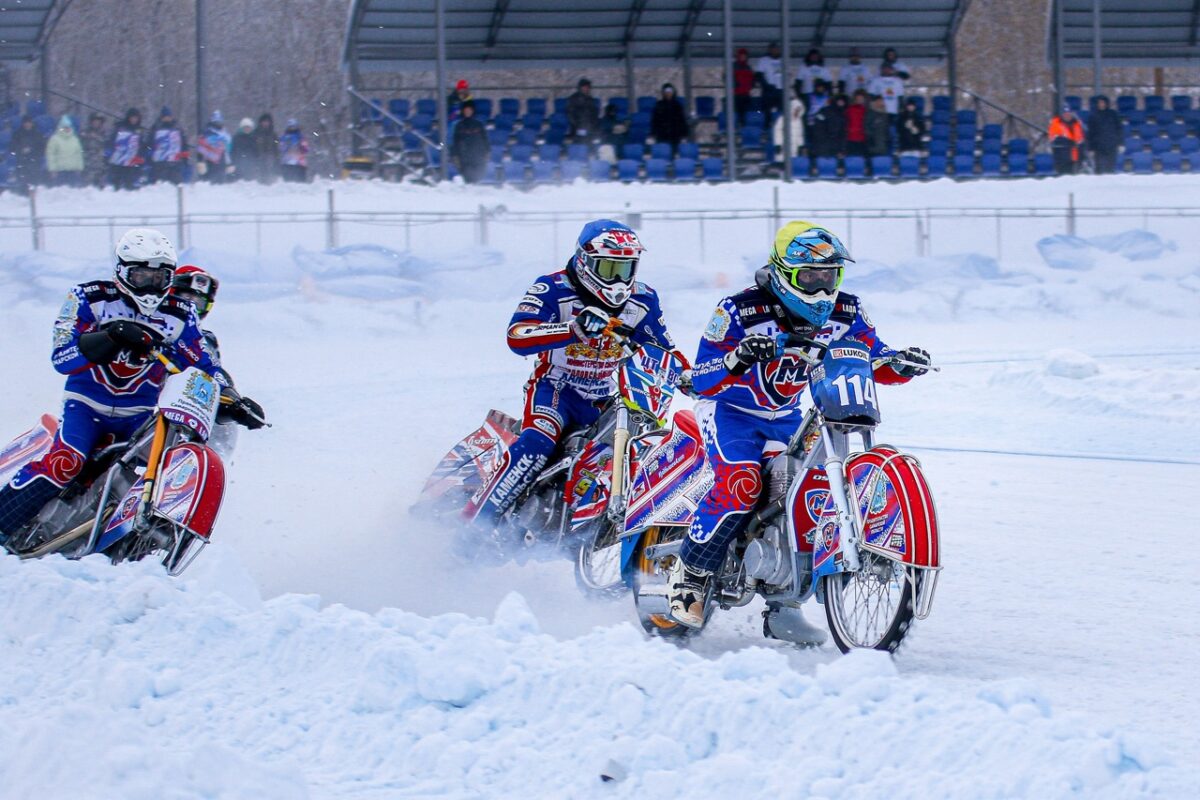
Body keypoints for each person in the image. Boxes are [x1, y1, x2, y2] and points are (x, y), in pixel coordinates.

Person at [667, 221, 931, 628]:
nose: (823, 289)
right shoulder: (738, 309)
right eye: (810, 277)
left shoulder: (848, 309)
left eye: (830, 276)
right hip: (729, 411)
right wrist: (739, 356)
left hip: (790, 416)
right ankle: (690, 574)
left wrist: (898, 363)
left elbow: (871, 355)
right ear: (783, 273)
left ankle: (784, 602)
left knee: (808, 487)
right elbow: (700, 378)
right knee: (742, 483)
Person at [0, 229, 220, 545]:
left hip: (141, 416)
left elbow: (205, 364)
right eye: (140, 274)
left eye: (159, 277)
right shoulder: (88, 297)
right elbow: (62, 357)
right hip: (86, 404)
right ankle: (4, 520)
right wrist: (112, 336)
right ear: (121, 271)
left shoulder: (181, 313)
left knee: (144, 471)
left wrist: (232, 396)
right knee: (68, 461)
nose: (150, 285)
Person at [464, 220, 677, 526]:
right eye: (608, 269)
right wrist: (571, 329)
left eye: (626, 269)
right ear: (585, 261)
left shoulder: (643, 300)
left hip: (607, 396)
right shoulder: (552, 288)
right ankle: (474, 522)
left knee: (636, 447)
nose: (618, 281)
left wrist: (689, 377)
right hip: (555, 388)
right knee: (538, 441)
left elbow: (664, 348)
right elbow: (518, 335)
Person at [168, 265, 266, 431]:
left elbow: (212, 372)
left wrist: (234, 401)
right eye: (186, 298)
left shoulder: (207, 340)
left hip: (182, 412)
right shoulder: (154, 323)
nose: (191, 307)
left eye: (198, 303)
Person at [450, 100, 489, 183]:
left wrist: (486, 151)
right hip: (464, 156)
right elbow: (456, 141)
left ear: (473, 111)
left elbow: (484, 139)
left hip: (477, 155)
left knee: (478, 177)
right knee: (467, 178)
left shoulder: (479, 124)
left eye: (469, 110)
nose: (468, 112)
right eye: (466, 110)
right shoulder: (459, 125)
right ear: (463, 111)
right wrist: (455, 154)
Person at [108, 108, 146, 191]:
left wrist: (141, 156)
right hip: (118, 161)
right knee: (116, 185)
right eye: (132, 117)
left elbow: (143, 145)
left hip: (132, 162)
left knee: (129, 186)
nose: (134, 120)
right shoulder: (119, 128)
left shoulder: (140, 130)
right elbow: (111, 141)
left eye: (136, 118)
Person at [149, 107, 188, 185]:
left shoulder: (177, 128)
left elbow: (183, 143)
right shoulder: (156, 128)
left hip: (175, 161)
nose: (167, 119)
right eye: (165, 117)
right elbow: (150, 142)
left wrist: (185, 155)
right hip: (160, 162)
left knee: (177, 183)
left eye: (168, 117)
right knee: (160, 183)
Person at [650, 83, 689, 156]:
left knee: (672, 155)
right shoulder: (659, 105)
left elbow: (682, 121)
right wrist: (653, 133)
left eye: (670, 92)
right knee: (662, 155)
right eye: (666, 92)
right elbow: (654, 121)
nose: (668, 94)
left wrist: (684, 135)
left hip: (674, 136)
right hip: (662, 135)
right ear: (663, 93)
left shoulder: (677, 106)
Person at [11, 115, 46, 192]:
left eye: (29, 122)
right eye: (26, 123)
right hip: (22, 161)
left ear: (32, 123)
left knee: (34, 181)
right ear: (23, 124)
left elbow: (42, 148)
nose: (27, 124)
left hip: (34, 160)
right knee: (23, 180)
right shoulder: (17, 134)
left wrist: (32, 151)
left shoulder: (37, 134)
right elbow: (13, 147)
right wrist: (21, 150)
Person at [45, 116, 84, 187]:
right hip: (59, 172)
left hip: (72, 171)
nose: (66, 129)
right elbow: (50, 155)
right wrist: (52, 169)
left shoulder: (75, 139)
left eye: (68, 127)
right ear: (60, 127)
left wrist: (79, 168)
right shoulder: (54, 139)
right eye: (64, 127)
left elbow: (79, 155)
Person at [1087, 96, 1122, 175]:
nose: (1101, 104)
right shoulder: (1093, 116)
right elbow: (1090, 134)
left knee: (1110, 169)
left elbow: (1119, 129)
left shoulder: (1113, 114)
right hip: (1098, 147)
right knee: (1099, 170)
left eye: (1103, 102)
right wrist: (1090, 148)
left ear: (1106, 103)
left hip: (1112, 145)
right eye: (1099, 103)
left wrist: (1121, 143)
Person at [195, 110, 232, 183]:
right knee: (209, 183)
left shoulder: (225, 134)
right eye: (216, 122)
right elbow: (201, 148)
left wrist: (229, 163)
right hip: (209, 161)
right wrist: (200, 161)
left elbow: (227, 150)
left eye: (219, 122)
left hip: (221, 162)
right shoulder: (206, 133)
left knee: (221, 183)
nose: (218, 124)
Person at [1049, 106, 1085, 175]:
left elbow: (1081, 139)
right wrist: (1068, 142)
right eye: (1065, 114)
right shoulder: (1056, 124)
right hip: (1061, 158)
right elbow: (1054, 139)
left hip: (1075, 157)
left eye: (1068, 113)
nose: (1067, 115)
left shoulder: (1077, 124)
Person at [566, 78, 600, 146]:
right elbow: (570, 114)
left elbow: (594, 113)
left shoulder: (590, 99)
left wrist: (594, 123)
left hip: (590, 126)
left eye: (588, 87)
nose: (587, 89)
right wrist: (577, 125)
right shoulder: (573, 98)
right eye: (585, 87)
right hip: (578, 126)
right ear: (580, 87)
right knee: (580, 144)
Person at [755, 42, 784, 121]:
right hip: (769, 89)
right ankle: (767, 126)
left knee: (782, 110)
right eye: (773, 49)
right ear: (769, 50)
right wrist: (766, 85)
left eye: (776, 49)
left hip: (780, 89)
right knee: (767, 110)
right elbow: (759, 75)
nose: (775, 51)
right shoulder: (763, 60)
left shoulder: (783, 60)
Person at [772, 93, 805, 158]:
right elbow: (777, 131)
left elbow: (800, 134)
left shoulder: (799, 121)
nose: (797, 111)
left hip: (795, 148)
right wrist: (778, 144)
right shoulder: (782, 118)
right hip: (784, 147)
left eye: (798, 110)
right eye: (796, 109)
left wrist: (801, 145)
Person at [82, 113, 109, 188]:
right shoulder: (85, 132)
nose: (96, 123)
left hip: (101, 165)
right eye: (95, 121)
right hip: (88, 164)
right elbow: (81, 147)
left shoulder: (105, 133)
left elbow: (108, 146)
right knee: (88, 187)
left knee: (101, 187)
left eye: (98, 121)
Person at [253, 113, 278, 183]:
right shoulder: (256, 133)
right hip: (258, 157)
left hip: (270, 158)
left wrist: (276, 156)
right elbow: (253, 145)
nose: (265, 123)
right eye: (264, 121)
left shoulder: (273, 134)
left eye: (267, 121)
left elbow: (276, 145)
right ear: (260, 122)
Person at [733, 48, 755, 127]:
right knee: (739, 109)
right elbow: (727, 78)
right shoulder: (734, 66)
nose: (743, 57)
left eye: (744, 56)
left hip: (746, 93)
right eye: (741, 56)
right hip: (736, 94)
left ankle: (745, 125)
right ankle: (739, 124)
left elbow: (752, 79)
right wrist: (735, 84)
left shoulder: (748, 67)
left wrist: (751, 85)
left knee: (747, 109)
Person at [844, 90, 868, 157]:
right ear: (855, 99)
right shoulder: (849, 110)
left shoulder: (866, 111)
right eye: (858, 99)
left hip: (862, 139)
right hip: (850, 139)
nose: (859, 100)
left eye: (861, 99)